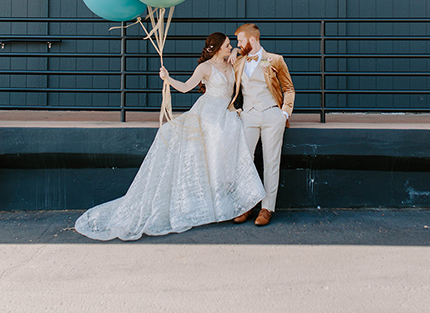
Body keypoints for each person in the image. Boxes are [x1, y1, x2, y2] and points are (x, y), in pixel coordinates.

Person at [75, 32, 266, 241]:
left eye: (231, 45)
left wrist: (238, 50)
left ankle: (234, 201)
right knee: (216, 135)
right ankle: (217, 201)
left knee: (233, 133)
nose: (231, 47)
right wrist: (168, 78)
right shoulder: (205, 68)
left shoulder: (232, 60)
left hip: (227, 110)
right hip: (209, 111)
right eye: (228, 45)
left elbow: (249, 54)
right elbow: (185, 88)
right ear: (218, 47)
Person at [229, 23, 295, 226]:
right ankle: (247, 205)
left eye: (239, 41)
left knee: (271, 162)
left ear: (252, 40)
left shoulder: (275, 60)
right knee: (245, 161)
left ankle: (267, 208)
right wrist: (232, 51)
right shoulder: (239, 62)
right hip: (248, 116)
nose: (238, 45)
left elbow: (289, 89)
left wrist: (284, 113)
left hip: (271, 115)